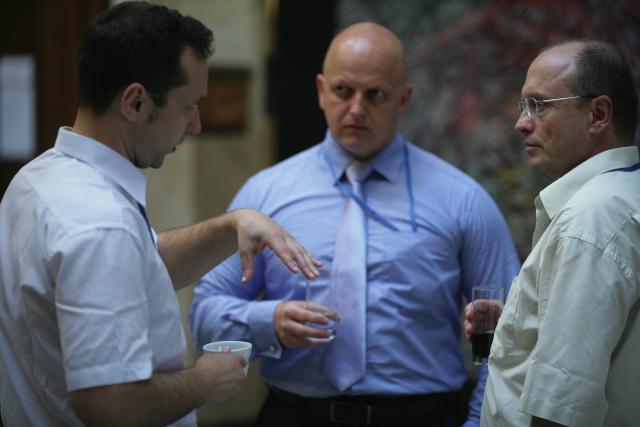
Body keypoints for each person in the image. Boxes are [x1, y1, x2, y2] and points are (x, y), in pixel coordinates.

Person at [0, 2, 321, 426]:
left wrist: (232, 225)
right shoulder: (100, 223)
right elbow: (112, 406)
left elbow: (137, 264)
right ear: (135, 103)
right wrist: (204, 381)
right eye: (189, 106)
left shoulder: (37, 178)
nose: (196, 126)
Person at [190, 22, 520, 427]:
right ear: (320, 91)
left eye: (375, 95)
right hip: (294, 414)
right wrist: (268, 323)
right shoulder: (264, 196)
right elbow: (204, 315)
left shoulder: (463, 201)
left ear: (404, 99)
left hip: (424, 415)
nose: (357, 109)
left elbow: (510, 338)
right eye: (344, 91)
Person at [475, 40, 640, 427]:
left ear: (598, 114)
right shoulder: (622, 196)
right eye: (523, 105)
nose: (521, 122)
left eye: (539, 105)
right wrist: (520, 326)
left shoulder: (590, 219)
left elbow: (562, 408)